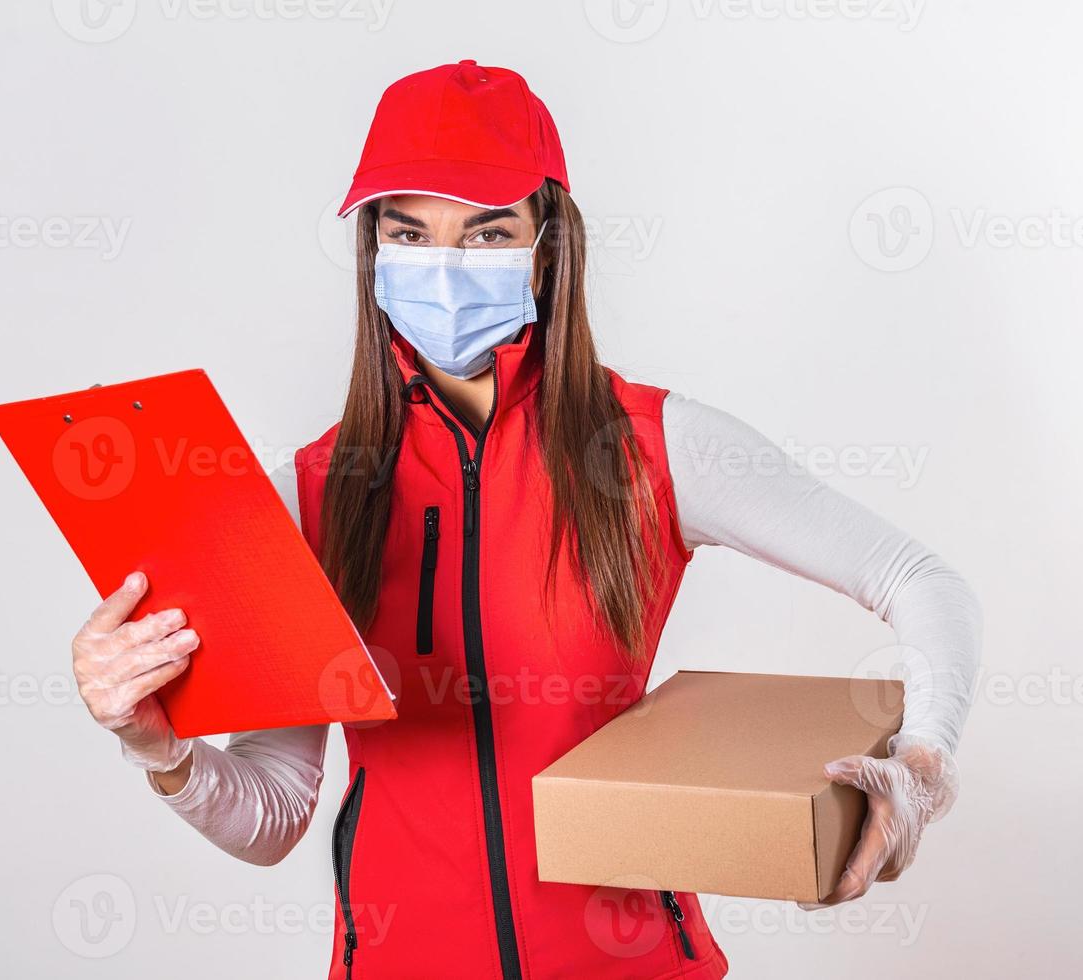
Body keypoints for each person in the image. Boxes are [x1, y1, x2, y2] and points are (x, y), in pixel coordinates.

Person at [69, 60, 982, 980]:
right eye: (411, 232)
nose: (448, 265)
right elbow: (275, 810)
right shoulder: (309, 492)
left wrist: (923, 766)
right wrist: (165, 753)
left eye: (488, 231)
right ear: (374, 251)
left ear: (548, 247)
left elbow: (921, 582)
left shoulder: (654, 447)